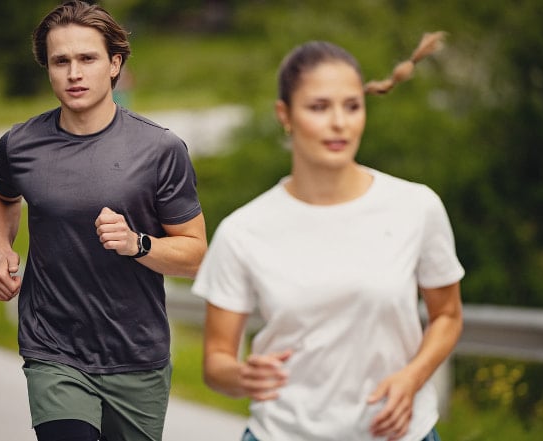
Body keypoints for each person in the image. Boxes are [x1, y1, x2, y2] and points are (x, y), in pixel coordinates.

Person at [192, 33, 463, 441]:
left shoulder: (416, 207)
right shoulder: (243, 230)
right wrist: (243, 376)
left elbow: (447, 315)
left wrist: (412, 377)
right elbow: (216, 363)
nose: (339, 122)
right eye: (319, 107)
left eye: (352, 106)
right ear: (285, 115)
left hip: (399, 433)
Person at [0, 2, 207, 440]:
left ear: (115, 63)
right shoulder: (21, 144)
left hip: (136, 355)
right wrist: (2, 248)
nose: (74, 73)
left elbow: (195, 253)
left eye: (87, 58)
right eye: (61, 61)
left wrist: (137, 243)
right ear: (48, 68)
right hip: (53, 348)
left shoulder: (159, 150)